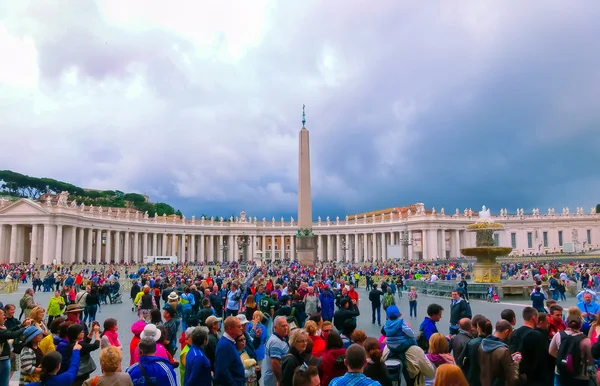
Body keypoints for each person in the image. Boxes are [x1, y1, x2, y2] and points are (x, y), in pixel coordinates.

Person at [478, 320, 521, 386]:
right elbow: (511, 378)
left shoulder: (482, 346)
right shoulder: (503, 351)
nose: (510, 336)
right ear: (506, 331)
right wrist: (515, 363)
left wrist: (509, 357)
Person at [214, 316, 246, 386]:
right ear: (230, 329)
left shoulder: (230, 342)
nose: (241, 328)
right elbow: (223, 371)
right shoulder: (224, 346)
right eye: (238, 326)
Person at [263, 316, 290, 386]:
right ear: (275, 328)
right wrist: (280, 380)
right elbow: (275, 364)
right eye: (283, 326)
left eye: (286, 325)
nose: (286, 328)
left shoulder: (280, 338)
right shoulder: (276, 342)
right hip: (273, 381)